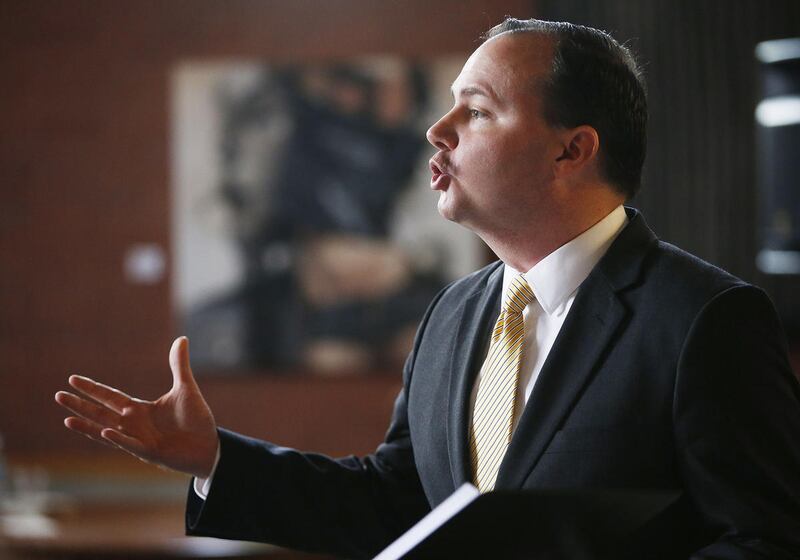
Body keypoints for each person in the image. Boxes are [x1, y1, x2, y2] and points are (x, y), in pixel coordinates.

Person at [55, 18, 800, 559]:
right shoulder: (453, 311)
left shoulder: (707, 319)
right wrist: (216, 458)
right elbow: (398, 501)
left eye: (475, 110)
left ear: (572, 150)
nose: (436, 131)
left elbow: (766, 540)